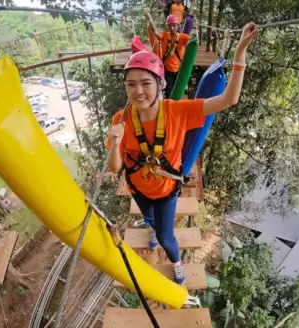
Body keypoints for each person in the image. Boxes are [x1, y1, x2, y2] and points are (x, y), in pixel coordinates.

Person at [106, 23, 258, 285]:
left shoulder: (177, 112)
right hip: (137, 187)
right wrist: (116, 143)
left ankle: (176, 263)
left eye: (145, 83)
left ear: (160, 84)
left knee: (166, 238)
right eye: (131, 84)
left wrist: (240, 53)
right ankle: (151, 228)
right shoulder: (121, 120)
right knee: (149, 220)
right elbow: (113, 167)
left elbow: (228, 100)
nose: (138, 91)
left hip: (166, 191)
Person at [144, 10, 190, 98]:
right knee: (169, 92)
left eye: (174, 26)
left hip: (178, 69)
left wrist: (195, 28)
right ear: (167, 26)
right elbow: (155, 32)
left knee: (178, 90)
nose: (172, 28)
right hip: (167, 69)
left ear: (178, 26)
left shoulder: (183, 37)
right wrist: (149, 18)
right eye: (170, 26)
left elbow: (193, 43)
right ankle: (169, 105)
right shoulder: (165, 36)